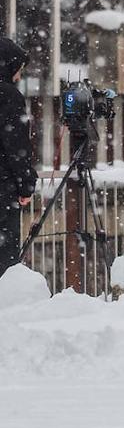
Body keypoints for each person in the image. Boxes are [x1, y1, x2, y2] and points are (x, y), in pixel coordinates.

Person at [0, 37, 36, 274]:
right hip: (3, 191)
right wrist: (26, 185)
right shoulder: (9, 96)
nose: (19, 77)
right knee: (5, 262)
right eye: (18, 70)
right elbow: (16, 147)